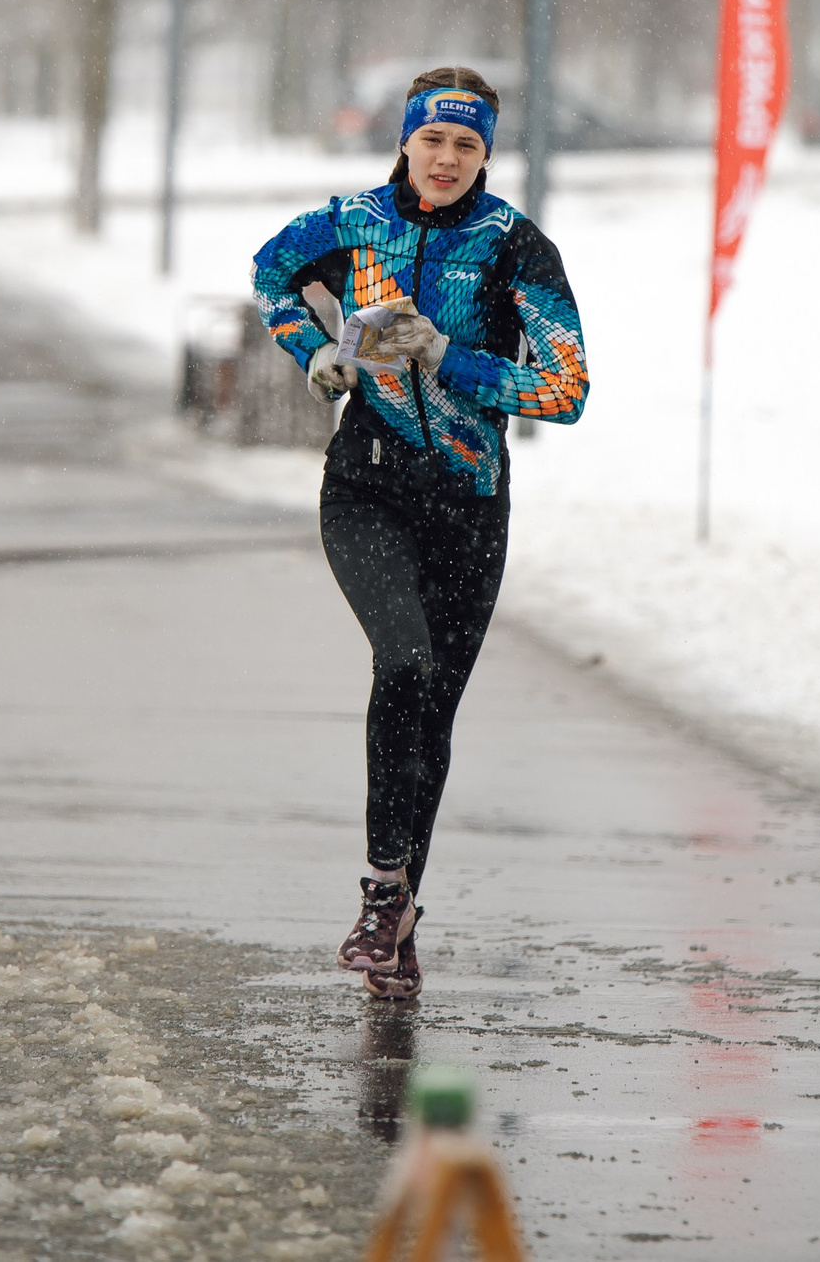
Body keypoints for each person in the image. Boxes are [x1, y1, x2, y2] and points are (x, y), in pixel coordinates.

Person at [251, 66, 590, 1001]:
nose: (446, 160)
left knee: (431, 709)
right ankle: (378, 889)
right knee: (400, 663)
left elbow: (565, 391)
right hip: (365, 486)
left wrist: (448, 356)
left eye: (467, 144)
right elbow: (270, 271)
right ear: (404, 139)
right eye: (432, 140)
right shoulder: (352, 223)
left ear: (487, 153)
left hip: (471, 504)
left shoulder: (517, 248)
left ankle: (399, 908)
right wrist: (313, 348)